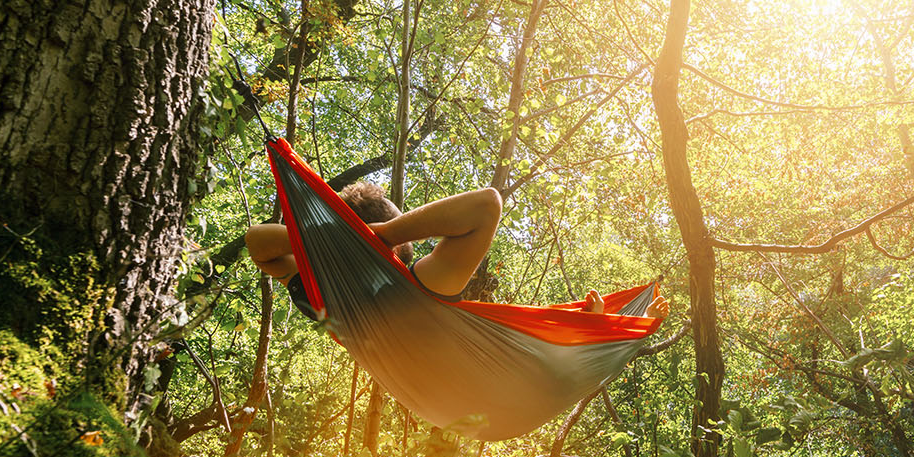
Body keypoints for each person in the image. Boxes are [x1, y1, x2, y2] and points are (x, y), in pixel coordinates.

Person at [245, 182, 669, 319]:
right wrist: (377, 235)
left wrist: (340, 238)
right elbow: (487, 205)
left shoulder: (311, 286)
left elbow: (258, 245)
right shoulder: (416, 287)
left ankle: (590, 327)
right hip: (471, 385)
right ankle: (590, 329)